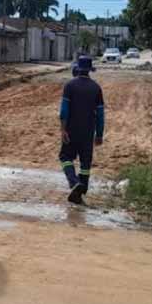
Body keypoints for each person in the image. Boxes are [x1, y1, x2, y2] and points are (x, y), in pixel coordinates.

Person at [59, 56, 105, 205]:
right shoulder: (96, 88)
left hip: (72, 130)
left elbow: (64, 111)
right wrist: (99, 134)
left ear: (77, 69)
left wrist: (63, 129)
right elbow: (100, 114)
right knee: (85, 163)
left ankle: (74, 183)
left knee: (65, 157)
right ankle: (81, 191)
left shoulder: (70, 86)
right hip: (88, 131)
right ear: (90, 70)